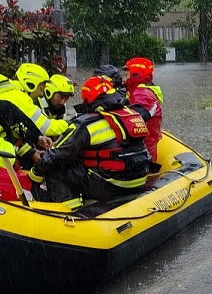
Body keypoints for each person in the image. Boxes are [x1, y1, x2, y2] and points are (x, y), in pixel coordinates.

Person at [28, 76, 153, 205]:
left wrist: (35, 173)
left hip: (111, 185)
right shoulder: (131, 114)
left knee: (57, 169)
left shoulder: (87, 124)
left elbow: (58, 154)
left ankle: (72, 212)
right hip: (139, 179)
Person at [123, 56, 163, 167]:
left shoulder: (143, 95)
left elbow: (131, 122)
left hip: (143, 154)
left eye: (127, 75)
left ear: (136, 75)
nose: (124, 79)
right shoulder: (136, 91)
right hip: (142, 151)